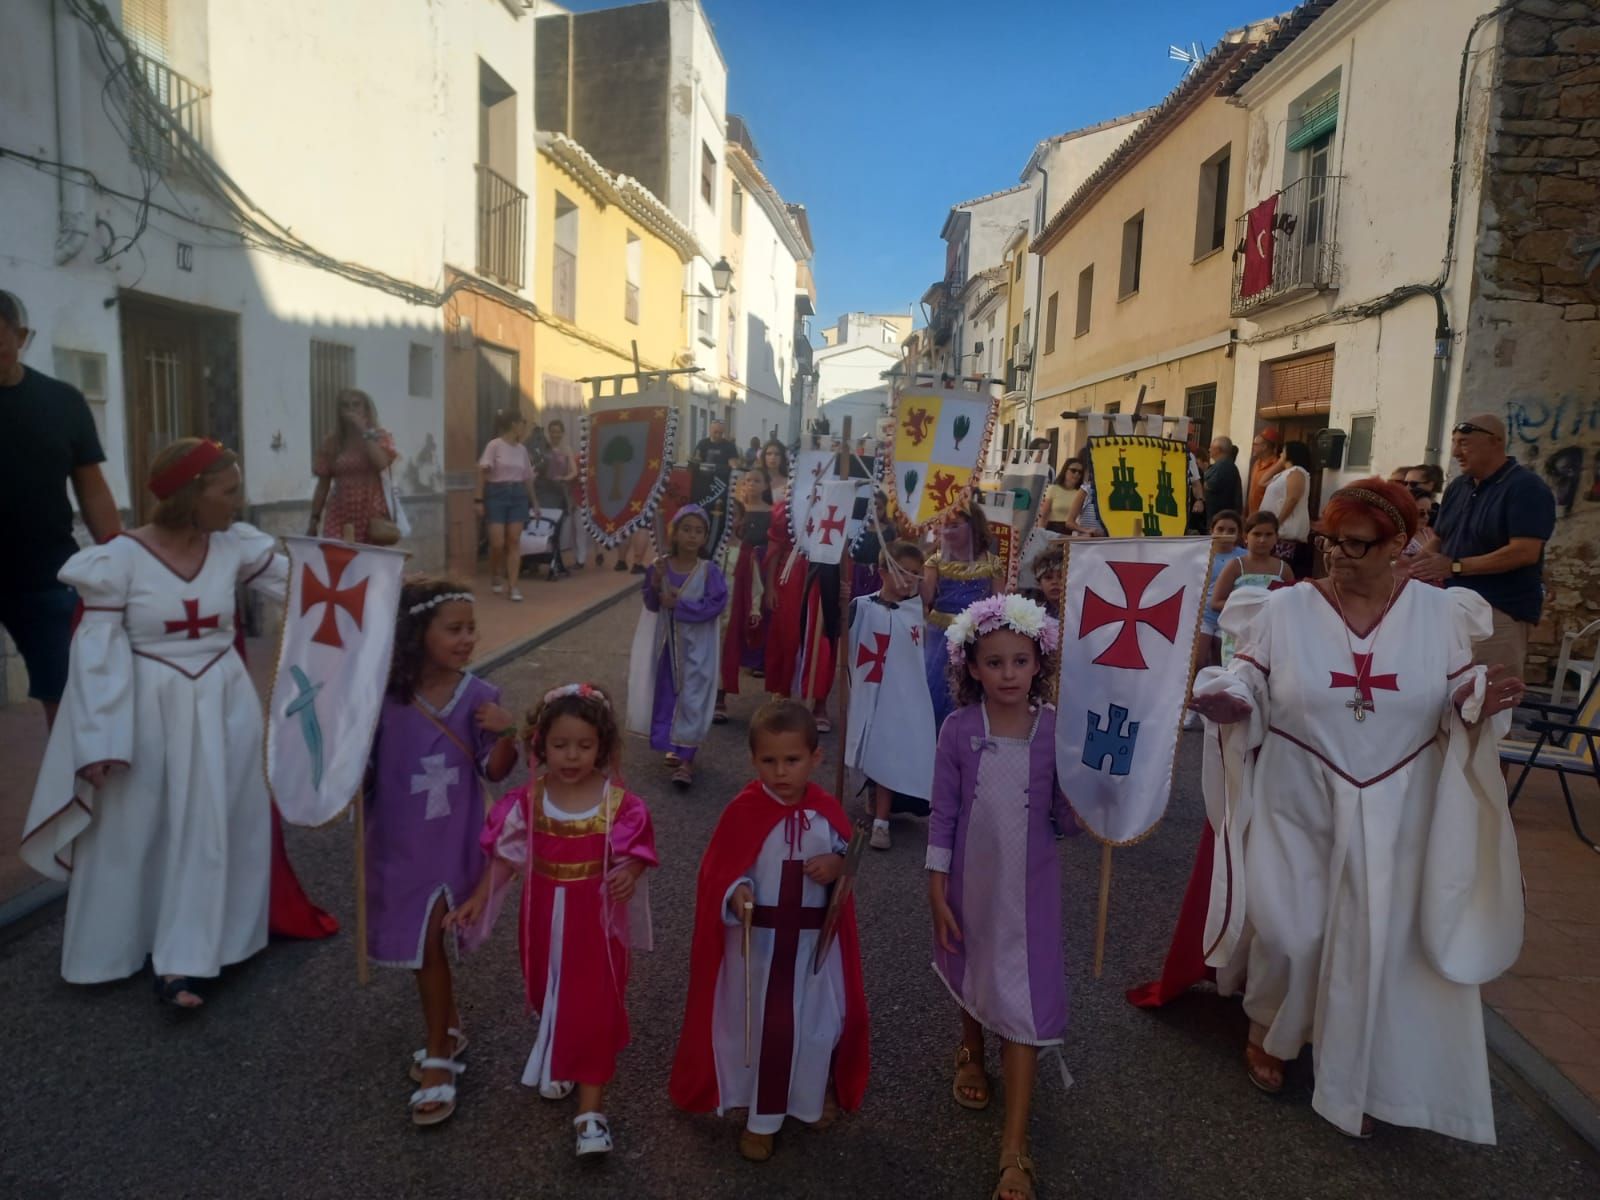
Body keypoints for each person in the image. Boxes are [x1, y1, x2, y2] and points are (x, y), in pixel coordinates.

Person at [1190, 478, 1525, 1143]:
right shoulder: (1284, 610)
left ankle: (1356, 1065)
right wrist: (1228, 696)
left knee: (1377, 938)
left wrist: (1479, 702)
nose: (1338, 555)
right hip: (1299, 791)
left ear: (1399, 544)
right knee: (1292, 930)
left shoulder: (1438, 613)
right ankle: (1271, 1026)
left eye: (1356, 544)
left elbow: (1458, 684)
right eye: (1329, 541)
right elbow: (1248, 673)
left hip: (1399, 801)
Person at [21, 439, 282, 1007]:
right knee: (136, 827)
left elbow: (313, 591)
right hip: (146, 708)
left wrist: (378, 584)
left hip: (224, 705)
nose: (238, 501)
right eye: (229, 491)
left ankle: (194, 956)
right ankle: (119, 947)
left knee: (218, 821)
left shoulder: (234, 546)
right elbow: (96, 654)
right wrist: (100, 738)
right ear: (192, 495)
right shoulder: (118, 559)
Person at [452, 683, 657, 1157]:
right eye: (560, 745)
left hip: (595, 931)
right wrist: (480, 898)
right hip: (544, 922)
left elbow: (637, 852)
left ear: (602, 747)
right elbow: (507, 855)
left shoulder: (617, 805)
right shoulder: (529, 800)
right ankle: (561, 1058)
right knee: (551, 993)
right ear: (540, 744)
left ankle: (591, 1114)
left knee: (594, 1008)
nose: (571, 756)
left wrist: (629, 870)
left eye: (584, 746)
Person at [668, 700, 870, 1162]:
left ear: (815, 759)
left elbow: (850, 865)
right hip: (759, 950)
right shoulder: (745, 811)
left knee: (817, 1027)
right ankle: (761, 1118)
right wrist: (737, 893)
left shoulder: (825, 811)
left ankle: (807, 1100)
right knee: (765, 1029)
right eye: (769, 761)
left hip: (812, 949)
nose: (781, 772)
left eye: (792, 760)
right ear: (753, 760)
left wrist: (839, 863)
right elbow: (719, 871)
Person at [927, 593, 1066, 1200]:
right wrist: (936, 885)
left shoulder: (1053, 729)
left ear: (1039, 663)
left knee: (1026, 999)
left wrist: (1101, 800)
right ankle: (970, 1045)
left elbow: (1067, 815)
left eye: (1019, 661)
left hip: (1030, 892)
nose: (1008, 674)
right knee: (974, 964)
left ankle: (1014, 1149)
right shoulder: (959, 730)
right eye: (994, 662)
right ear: (971, 668)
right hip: (968, 882)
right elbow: (942, 812)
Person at [366, 577, 517, 1124]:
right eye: (453, 629)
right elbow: (363, 770)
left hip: (447, 842)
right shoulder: (380, 697)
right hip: (394, 842)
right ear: (416, 632)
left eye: (471, 628)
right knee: (415, 945)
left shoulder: (479, 697)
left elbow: (494, 770)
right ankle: (448, 1028)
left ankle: (437, 1056)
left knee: (428, 942)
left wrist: (508, 734)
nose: (467, 639)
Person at [0, 288, 121, 728]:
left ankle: (71, 791)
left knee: (69, 693)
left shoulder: (62, 402)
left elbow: (92, 490)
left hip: (47, 574)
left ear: (22, 336)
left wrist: (116, 556)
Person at [1405, 414, 1557, 682]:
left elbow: (1524, 551)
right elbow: (1440, 538)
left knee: (1485, 699)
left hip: (1499, 611)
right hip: (1453, 607)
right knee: (1447, 694)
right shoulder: (1458, 487)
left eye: (1464, 443)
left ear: (1495, 442)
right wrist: (1408, 567)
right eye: (1453, 443)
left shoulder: (1526, 487)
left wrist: (1455, 566)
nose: (1454, 452)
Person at [627, 505, 728, 789]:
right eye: (686, 529)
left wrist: (680, 605)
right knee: (669, 697)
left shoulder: (709, 572)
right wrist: (656, 582)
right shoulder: (661, 566)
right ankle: (674, 743)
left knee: (694, 700)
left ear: (705, 537)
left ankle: (687, 760)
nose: (692, 536)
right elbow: (651, 602)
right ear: (674, 532)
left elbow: (715, 605)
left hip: (698, 650)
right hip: (668, 647)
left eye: (699, 531)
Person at [845, 540, 934, 851]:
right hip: (868, 693)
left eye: (915, 574)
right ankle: (869, 795)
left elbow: (911, 663)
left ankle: (881, 822)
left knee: (889, 749)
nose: (910, 579)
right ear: (882, 572)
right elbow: (847, 643)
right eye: (902, 572)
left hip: (898, 700)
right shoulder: (861, 607)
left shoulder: (915, 614)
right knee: (866, 747)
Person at [922, 504, 1003, 733]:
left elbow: (999, 601)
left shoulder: (992, 562)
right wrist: (914, 575)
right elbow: (927, 596)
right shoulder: (935, 561)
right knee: (935, 685)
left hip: (975, 634)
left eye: (955, 525)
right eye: (944, 526)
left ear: (973, 527)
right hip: (940, 635)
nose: (948, 531)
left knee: (971, 686)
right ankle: (931, 738)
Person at [763, 494, 837, 727]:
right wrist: (770, 587)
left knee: (824, 636)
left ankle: (819, 701)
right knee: (787, 633)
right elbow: (776, 544)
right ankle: (782, 691)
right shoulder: (787, 505)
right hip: (791, 574)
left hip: (827, 574)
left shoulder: (839, 500)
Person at [310, 388, 399, 544]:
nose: (351, 409)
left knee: (366, 564)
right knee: (336, 557)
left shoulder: (379, 436)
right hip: (339, 512)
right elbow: (323, 485)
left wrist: (363, 431)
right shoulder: (332, 442)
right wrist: (314, 518)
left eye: (356, 404)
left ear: (365, 408)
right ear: (339, 411)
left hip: (371, 512)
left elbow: (381, 463)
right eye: (345, 406)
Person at [1211, 510, 1293, 666]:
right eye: (1257, 534)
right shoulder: (1236, 566)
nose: (1262, 540)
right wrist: (1248, 606)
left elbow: (1291, 603)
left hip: (1271, 637)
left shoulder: (1284, 569)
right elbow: (1216, 602)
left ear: (1276, 538)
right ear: (1245, 537)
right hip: (1239, 637)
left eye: (1268, 534)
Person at [720, 472, 772, 704]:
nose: (729, 519)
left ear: (741, 520)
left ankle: (720, 698)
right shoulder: (709, 549)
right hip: (704, 612)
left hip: (731, 611)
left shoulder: (745, 550)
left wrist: (754, 610)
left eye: (734, 516)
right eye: (725, 514)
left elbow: (754, 584)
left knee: (726, 653)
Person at [476, 410, 536, 599]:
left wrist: (535, 502)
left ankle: (513, 586)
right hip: (496, 493)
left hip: (518, 494)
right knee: (497, 543)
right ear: (513, 424)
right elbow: (482, 473)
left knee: (514, 540)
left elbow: (527, 478)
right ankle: (495, 573)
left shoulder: (522, 450)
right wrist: (478, 499)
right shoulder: (494, 446)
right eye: (522, 423)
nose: (524, 428)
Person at [545, 419, 595, 570]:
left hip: (563, 492)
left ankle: (579, 559)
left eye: (558, 432)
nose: (555, 434)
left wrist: (563, 479)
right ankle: (547, 556)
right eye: (552, 431)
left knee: (573, 527)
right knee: (548, 527)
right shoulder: (543, 448)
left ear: (562, 433)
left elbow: (574, 472)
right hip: (545, 492)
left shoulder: (567, 450)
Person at [1260, 439, 1314, 576]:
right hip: (1275, 532)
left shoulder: (1297, 471)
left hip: (1285, 532)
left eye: (1283, 451)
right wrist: (1280, 463)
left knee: (1279, 572)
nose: (1280, 454)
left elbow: (1292, 499)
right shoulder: (1284, 474)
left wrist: (1277, 523)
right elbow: (1262, 481)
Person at [1039, 459, 1086, 535]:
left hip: (1073, 531)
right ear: (1065, 471)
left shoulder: (1082, 493)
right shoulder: (1053, 489)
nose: (1077, 474)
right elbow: (1044, 515)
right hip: (1053, 530)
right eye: (1073, 470)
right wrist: (1041, 533)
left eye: (1080, 472)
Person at [1203, 436, 1244, 525]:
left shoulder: (1223, 466)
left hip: (1219, 518)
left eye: (1211, 447)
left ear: (1218, 450)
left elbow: (1209, 486)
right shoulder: (1225, 465)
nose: (1209, 450)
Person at [1245, 427, 1284, 515]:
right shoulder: (1256, 463)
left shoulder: (1278, 467)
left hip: (1267, 516)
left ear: (1264, 446)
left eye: (1255, 444)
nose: (1252, 447)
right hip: (1252, 514)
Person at [1030, 542, 1065, 619]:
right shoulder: (1036, 616)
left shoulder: (1080, 612)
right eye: (1048, 577)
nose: (1055, 582)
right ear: (1039, 584)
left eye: (1061, 577)